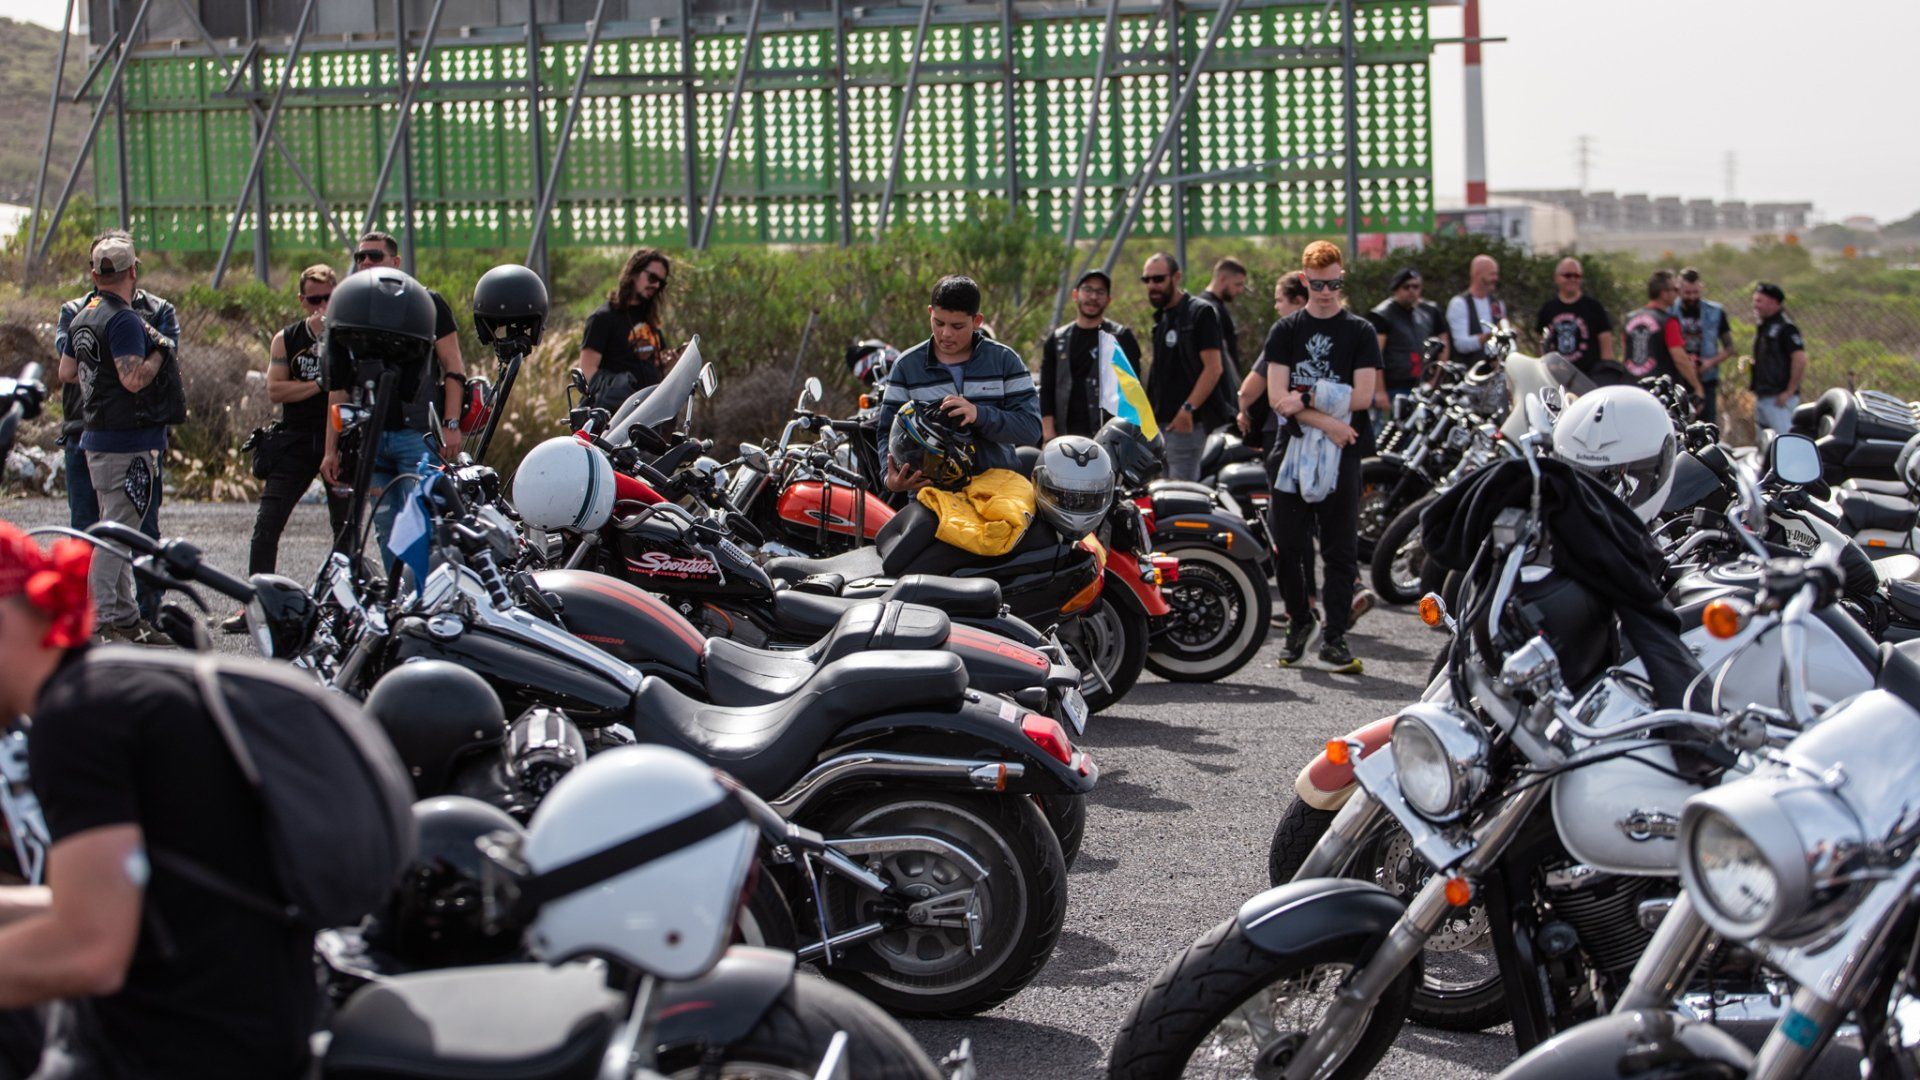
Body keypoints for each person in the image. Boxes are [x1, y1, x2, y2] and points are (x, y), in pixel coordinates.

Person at [0, 522, 319, 1077]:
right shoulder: (112, 690)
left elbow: (89, 950)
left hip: (183, 1046)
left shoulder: (73, 724)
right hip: (258, 1014)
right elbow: (102, 901)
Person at [1258, 240, 1380, 673]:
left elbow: (1364, 396)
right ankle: (1300, 620)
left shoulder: (1359, 332)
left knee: (1340, 550)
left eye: (1334, 283)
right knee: (1287, 547)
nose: (1326, 292)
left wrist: (1305, 395)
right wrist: (1328, 418)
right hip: (1291, 449)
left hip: (1342, 454)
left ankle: (1335, 638)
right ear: (1305, 281)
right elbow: (1276, 397)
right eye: (1318, 284)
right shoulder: (1287, 331)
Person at [59, 236, 184, 647]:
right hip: (125, 441)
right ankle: (100, 619)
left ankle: (125, 616)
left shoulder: (84, 313)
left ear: (95, 274)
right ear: (134, 271)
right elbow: (133, 379)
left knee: (110, 529)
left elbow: (66, 371)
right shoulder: (125, 319)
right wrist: (160, 354)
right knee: (115, 537)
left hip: (95, 435)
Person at [320, 232, 469, 557]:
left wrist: (452, 423)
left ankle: (427, 603)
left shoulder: (426, 303)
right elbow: (340, 384)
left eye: (375, 256)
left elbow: (453, 365)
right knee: (386, 531)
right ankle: (397, 605)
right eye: (360, 257)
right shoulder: (352, 308)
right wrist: (331, 449)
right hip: (371, 438)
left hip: (417, 435)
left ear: (395, 262)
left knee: (422, 528)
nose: (366, 262)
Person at [222, 266, 352, 632]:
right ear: (302, 301)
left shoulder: (347, 338)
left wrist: (322, 388)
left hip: (339, 439)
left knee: (346, 527)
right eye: (315, 299)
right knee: (267, 525)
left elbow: (346, 393)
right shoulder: (287, 338)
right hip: (295, 437)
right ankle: (257, 604)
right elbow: (276, 390)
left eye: (330, 297)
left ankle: (344, 606)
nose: (323, 306)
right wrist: (319, 385)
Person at [877, 275, 1041, 492]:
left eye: (957, 326)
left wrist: (979, 415)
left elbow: (1030, 429)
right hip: (932, 497)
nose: (946, 333)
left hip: (999, 495)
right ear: (929, 313)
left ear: (977, 321)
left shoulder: (1005, 361)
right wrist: (890, 478)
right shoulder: (906, 366)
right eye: (939, 323)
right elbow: (886, 431)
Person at [1142, 253, 1230, 481]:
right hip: (1159, 426)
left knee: (1181, 497)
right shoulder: (1161, 317)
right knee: (1159, 496)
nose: (1153, 285)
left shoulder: (1199, 312)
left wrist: (1187, 409)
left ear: (1176, 277)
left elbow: (1214, 368)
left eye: (1159, 279)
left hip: (1186, 424)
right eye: (1147, 280)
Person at [1041, 270, 1143, 440]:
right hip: (1066, 437)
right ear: (1075, 294)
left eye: (1100, 292)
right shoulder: (1057, 339)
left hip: (1111, 437)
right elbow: (1047, 389)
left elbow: (1133, 393)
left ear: (1108, 300)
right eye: (1088, 290)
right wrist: (1048, 433)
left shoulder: (1121, 337)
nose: (1093, 297)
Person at [579, 249, 675, 409]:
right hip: (614, 418)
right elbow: (587, 371)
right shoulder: (603, 318)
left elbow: (650, 366)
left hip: (648, 412)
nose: (656, 285)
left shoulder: (649, 319)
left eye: (661, 283)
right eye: (652, 278)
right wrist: (617, 390)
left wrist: (670, 362)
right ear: (634, 273)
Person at [1366, 267, 1449, 418]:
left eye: (1416, 287)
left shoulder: (1430, 311)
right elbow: (1375, 355)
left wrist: (1435, 379)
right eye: (1406, 287)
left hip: (1423, 385)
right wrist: (1379, 391)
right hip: (1394, 387)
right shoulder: (1382, 314)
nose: (1412, 291)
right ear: (1396, 289)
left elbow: (1443, 343)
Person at [1237, 272, 1308, 439]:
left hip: (1282, 428)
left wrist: (1243, 411)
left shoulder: (1283, 333)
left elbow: (1250, 388)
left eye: (1279, 300)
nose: (1276, 307)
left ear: (1298, 301)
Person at [1619, 270, 1703, 400]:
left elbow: (1625, 353)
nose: (1678, 293)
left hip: (1631, 388)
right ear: (1664, 294)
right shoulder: (1668, 321)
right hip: (1659, 392)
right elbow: (1679, 357)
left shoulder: (1630, 318)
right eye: (1675, 289)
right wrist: (1697, 387)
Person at [1672, 267, 1735, 425]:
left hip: (1707, 377)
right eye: (1687, 293)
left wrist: (1709, 363)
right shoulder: (1669, 311)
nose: (1692, 297)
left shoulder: (1715, 312)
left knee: (1707, 425)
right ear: (1678, 289)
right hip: (1679, 377)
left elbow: (1729, 348)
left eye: (1695, 292)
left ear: (1701, 288)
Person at [1534, 256, 1614, 379]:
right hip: (1557, 378)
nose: (1572, 279)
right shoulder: (1548, 309)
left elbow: (1606, 347)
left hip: (1588, 379)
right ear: (1556, 278)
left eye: (1577, 276)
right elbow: (1540, 347)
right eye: (1567, 275)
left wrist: (1606, 375)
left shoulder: (1594, 307)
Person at [1750, 282, 1808, 434]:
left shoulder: (1786, 327)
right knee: (1765, 444)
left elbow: (1800, 359)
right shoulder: (1765, 326)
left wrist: (1789, 391)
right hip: (1764, 395)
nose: (1755, 305)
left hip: (1779, 398)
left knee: (1784, 440)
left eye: (1759, 301)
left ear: (1773, 302)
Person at [1194, 257, 1250, 392]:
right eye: (1237, 284)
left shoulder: (1213, 306)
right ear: (1223, 278)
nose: (1240, 290)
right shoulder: (1209, 310)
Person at [1445, 254, 1505, 360]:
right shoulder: (1459, 303)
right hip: (1471, 370)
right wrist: (1490, 336)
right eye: (1492, 274)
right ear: (1477, 274)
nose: (1495, 278)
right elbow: (1460, 344)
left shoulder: (1497, 303)